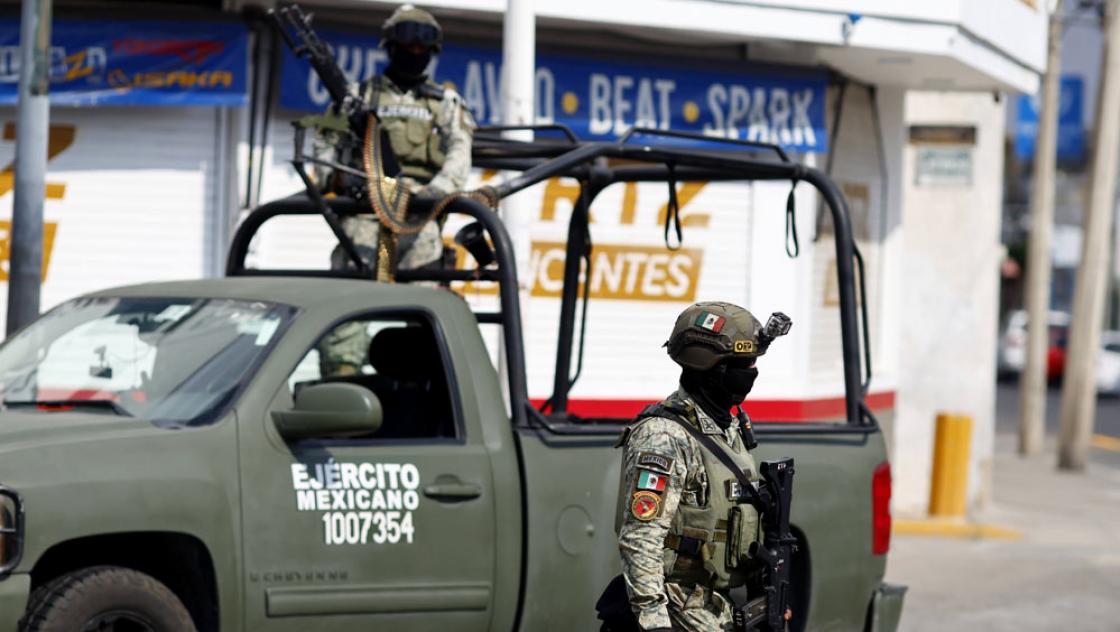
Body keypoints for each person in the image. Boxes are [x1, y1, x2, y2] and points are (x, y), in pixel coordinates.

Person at [315, 4, 475, 376]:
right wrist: (338, 180)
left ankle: (420, 388)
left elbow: (460, 153)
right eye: (407, 44)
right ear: (390, 45)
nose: (414, 51)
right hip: (366, 216)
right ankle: (342, 382)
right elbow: (324, 146)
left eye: (422, 46)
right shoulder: (357, 98)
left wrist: (433, 192)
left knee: (425, 315)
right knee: (345, 310)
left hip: (416, 220)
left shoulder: (445, 104)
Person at [611, 301, 787, 631]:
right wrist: (654, 623)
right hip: (677, 610)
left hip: (716, 610)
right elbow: (640, 538)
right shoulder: (665, 436)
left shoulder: (728, 430)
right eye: (743, 363)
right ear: (711, 366)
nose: (751, 371)